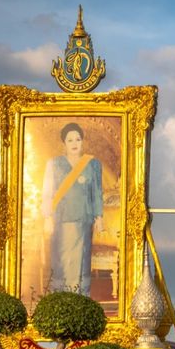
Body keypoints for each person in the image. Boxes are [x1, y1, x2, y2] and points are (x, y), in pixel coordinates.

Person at [41, 122, 106, 293]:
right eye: (70, 140)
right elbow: (47, 192)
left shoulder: (93, 164)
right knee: (63, 261)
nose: (75, 143)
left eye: (78, 139)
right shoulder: (54, 164)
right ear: (64, 143)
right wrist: (47, 218)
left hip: (84, 220)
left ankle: (80, 299)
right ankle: (61, 300)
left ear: (82, 141)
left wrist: (99, 218)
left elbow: (97, 192)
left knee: (81, 261)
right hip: (61, 220)